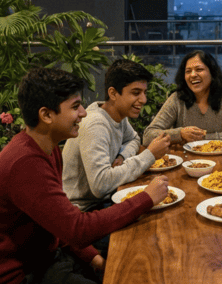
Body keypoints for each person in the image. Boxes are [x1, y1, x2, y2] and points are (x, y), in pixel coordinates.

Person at [0, 68, 169, 284]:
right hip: (8, 283)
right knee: (119, 283)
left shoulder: (47, 148)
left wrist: (93, 257)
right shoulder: (25, 162)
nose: (83, 113)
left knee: (121, 268)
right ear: (46, 115)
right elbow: (77, 229)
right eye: (75, 107)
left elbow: (57, 223)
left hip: (41, 258)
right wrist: (146, 198)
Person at [63, 59, 171, 212]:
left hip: (106, 199)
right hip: (84, 211)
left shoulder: (117, 115)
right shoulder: (95, 125)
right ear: (113, 93)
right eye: (136, 93)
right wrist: (150, 154)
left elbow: (134, 138)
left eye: (144, 93)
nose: (143, 100)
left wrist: (121, 156)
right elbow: (100, 185)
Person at [143, 50, 222, 145]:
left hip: (221, 159)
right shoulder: (177, 98)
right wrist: (179, 134)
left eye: (199, 69)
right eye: (188, 71)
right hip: (187, 161)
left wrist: (204, 138)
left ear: (212, 73)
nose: (193, 75)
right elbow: (148, 136)